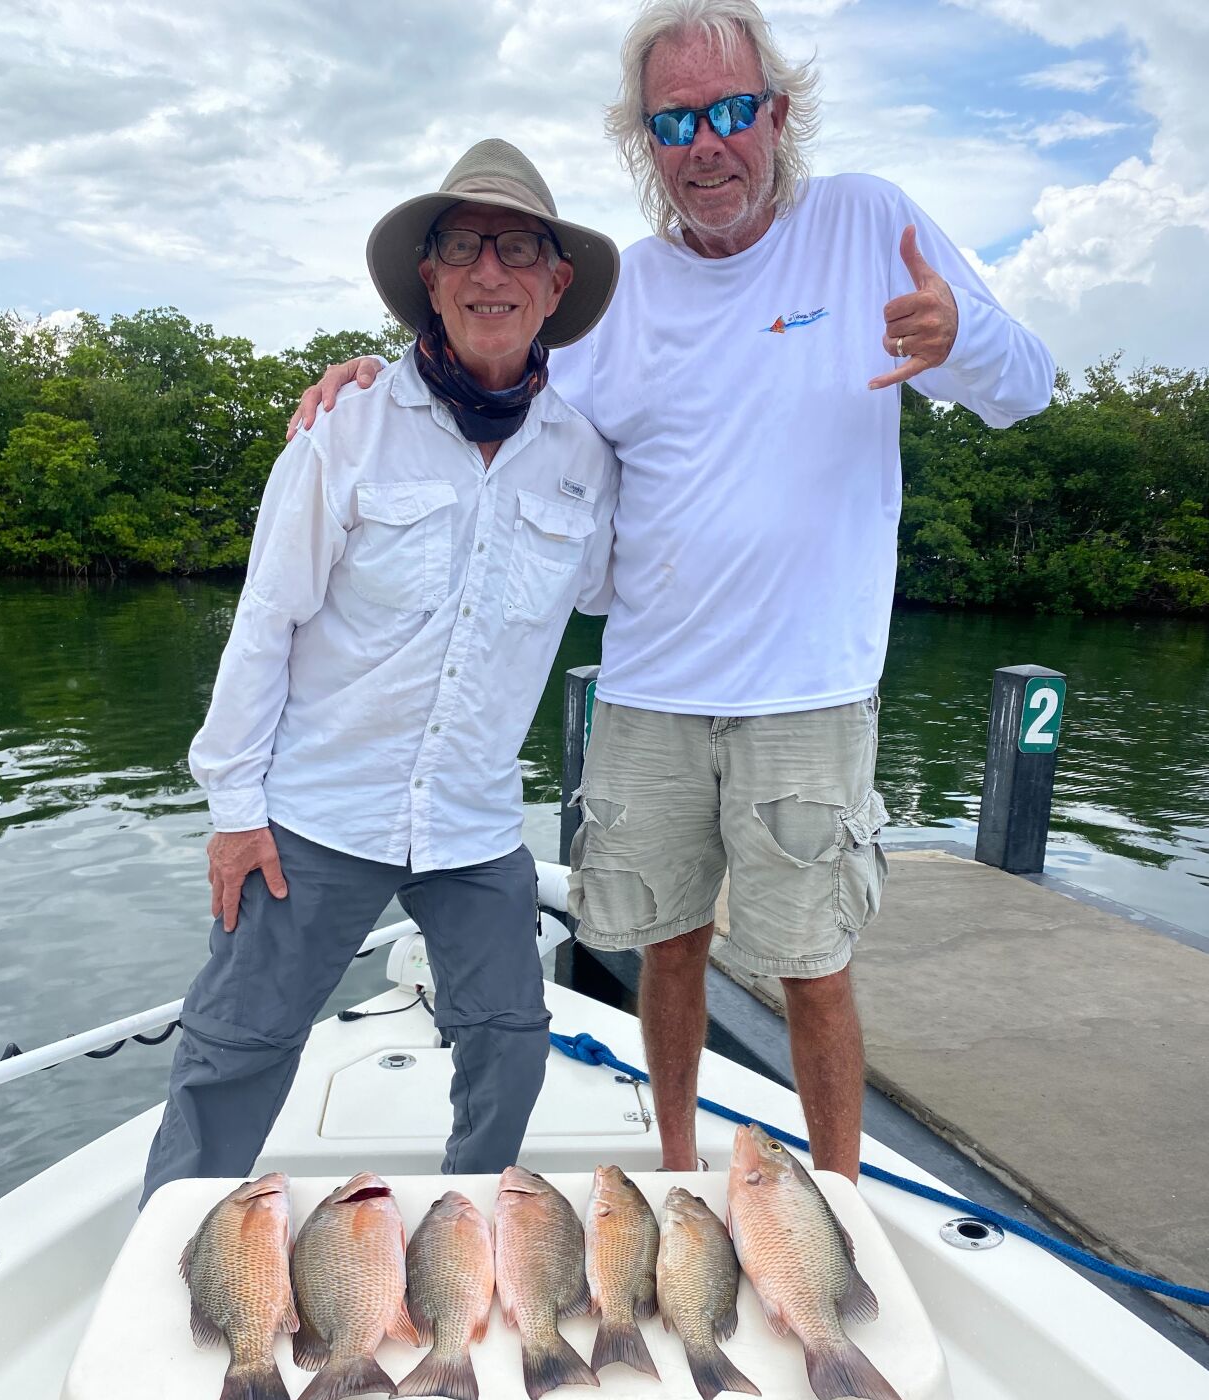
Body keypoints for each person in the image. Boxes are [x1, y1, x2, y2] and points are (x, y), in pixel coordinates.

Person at [287, 0, 1055, 1182]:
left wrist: (955, 338)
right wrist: (360, 377)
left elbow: (1027, 389)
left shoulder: (865, 222)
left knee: (812, 964)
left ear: (777, 114)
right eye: (675, 121)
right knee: (663, 950)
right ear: (645, 140)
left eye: (730, 111)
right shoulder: (618, 295)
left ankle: (837, 1203)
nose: (707, 145)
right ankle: (681, 1174)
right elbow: (479, 372)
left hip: (808, 688)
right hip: (646, 686)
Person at [140, 139, 620, 1202]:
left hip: (475, 822)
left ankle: (465, 1232)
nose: (488, 271)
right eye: (461, 247)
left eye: (516, 248)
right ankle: (165, 1257)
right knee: (234, 1048)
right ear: (429, 281)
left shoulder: (586, 460)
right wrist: (232, 804)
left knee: (513, 1043)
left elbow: (619, 590)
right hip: (317, 808)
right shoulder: (342, 424)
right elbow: (267, 618)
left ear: (555, 282)